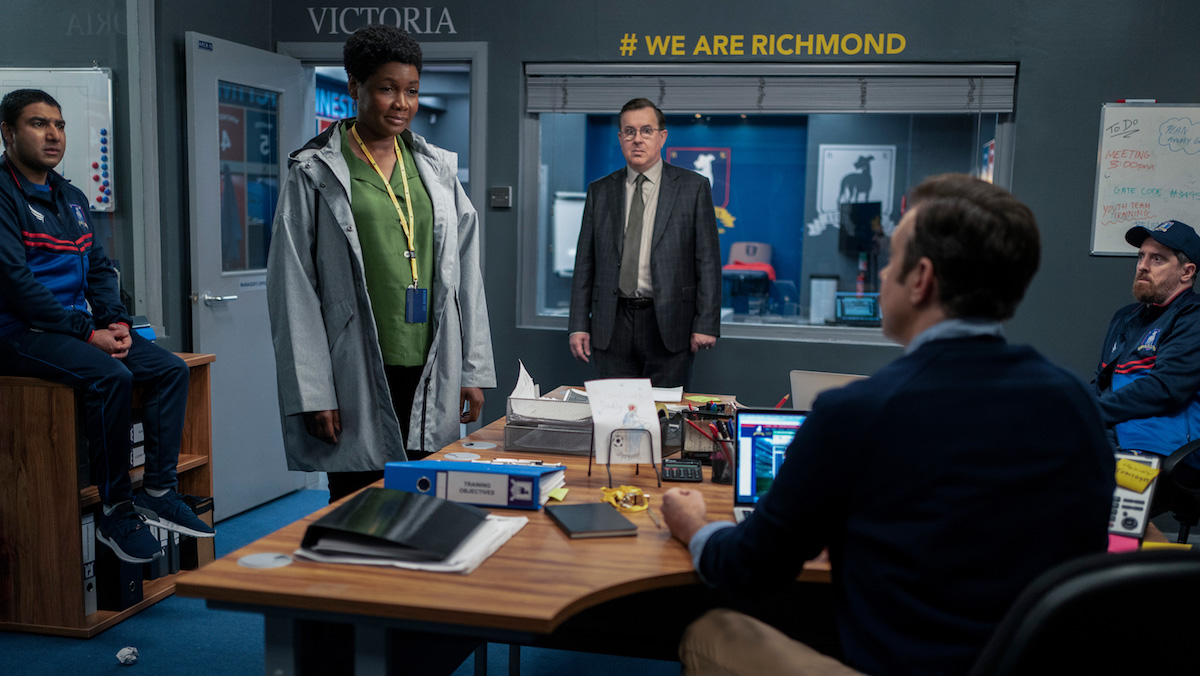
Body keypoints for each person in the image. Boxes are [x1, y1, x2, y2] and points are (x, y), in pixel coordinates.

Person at [661, 173, 1115, 675]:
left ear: (920, 279)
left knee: (711, 631)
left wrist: (694, 526)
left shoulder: (858, 413)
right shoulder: (1075, 403)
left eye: (892, 259)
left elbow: (747, 571)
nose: (881, 276)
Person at [267, 25, 495, 504]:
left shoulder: (436, 168)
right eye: (387, 89)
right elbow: (293, 288)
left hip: (431, 362)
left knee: (429, 497)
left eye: (411, 90)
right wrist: (314, 392)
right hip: (354, 365)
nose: (401, 104)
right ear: (355, 88)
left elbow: (466, 274)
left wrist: (474, 369)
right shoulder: (314, 171)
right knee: (358, 502)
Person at [0, 89, 213, 564]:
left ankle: (158, 491)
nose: (53, 134)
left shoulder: (70, 195)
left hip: (78, 326)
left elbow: (98, 268)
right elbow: (15, 283)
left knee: (169, 369)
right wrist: (86, 333)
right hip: (19, 332)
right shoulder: (3, 194)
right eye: (38, 124)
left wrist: (114, 322)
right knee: (110, 377)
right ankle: (116, 511)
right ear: (8, 133)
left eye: (59, 124)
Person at [567, 98, 721, 390]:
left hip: (670, 322)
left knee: (666, 418)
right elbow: (585, 263)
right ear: (620, 138)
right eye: (629, 131)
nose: (637, 139)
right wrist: (578, 324)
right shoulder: (600, 191)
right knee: (614, 417)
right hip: (611, 324)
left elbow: (708, 262)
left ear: (662, 137)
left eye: (646, 131)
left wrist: (706, 323)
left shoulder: (693, 188)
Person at [1093, 219, 1200, 485]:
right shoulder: (1125, 318)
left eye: (1157, 259)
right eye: (1141, 256)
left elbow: (1164, 389)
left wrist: (1091, 410)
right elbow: (1102, 384)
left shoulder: (1193, 316)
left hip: (1163, 448)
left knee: (1098, 486)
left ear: (1187, 272)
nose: (1142, 265)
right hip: (1115, 435)